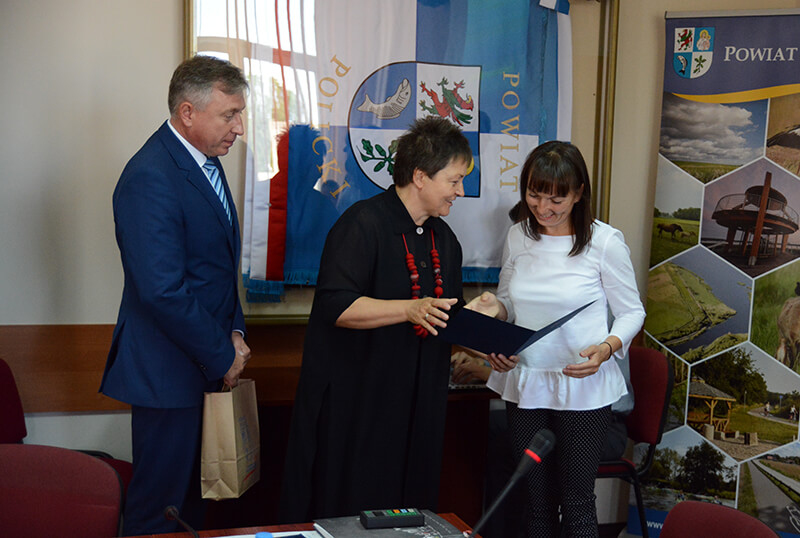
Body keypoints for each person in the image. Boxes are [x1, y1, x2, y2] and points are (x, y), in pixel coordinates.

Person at [280, 117, 475, 522]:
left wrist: (489, 339)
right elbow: (337, 307)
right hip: (361, 405)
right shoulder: (362, 224)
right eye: (454, 180)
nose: (460, 191)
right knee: (357, 507)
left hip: (418, 407)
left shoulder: (444, 239)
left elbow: (447, 315)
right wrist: (408, 308)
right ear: (420, 176)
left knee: (412, 511)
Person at [100, 55, 251, 535]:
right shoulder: (150, 175)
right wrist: (222, 354)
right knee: (159, 513)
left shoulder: (205, 163)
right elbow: (162, 290)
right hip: (167, 374)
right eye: (229, 115)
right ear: (188, 112)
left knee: (191, 511)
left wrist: (235, 331)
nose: (239, 127)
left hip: (203, 368)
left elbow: (217, 269)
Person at [467, 141, 645, 537]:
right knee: (537, 503)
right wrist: (495, 311)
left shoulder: (604, 242)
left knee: (577, 503)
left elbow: (632, 312)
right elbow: (509, 304)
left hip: (583, 386)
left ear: (578, 193)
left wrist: (606, 349)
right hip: (527, 382)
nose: (543, 207)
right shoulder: (518, 236)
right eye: (534, 194)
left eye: (556, 198)